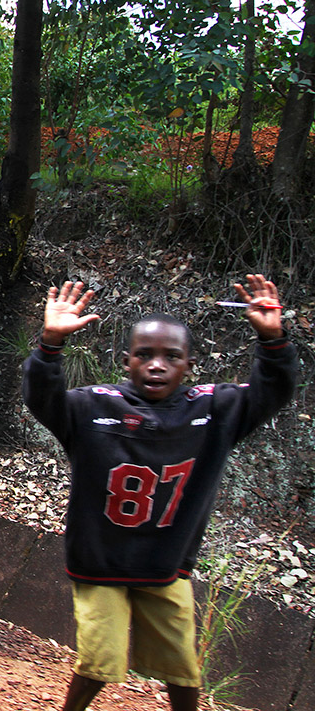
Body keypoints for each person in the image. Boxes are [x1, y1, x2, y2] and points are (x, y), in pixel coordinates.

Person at [22, 277, 297, 711]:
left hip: (166, 566)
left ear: (189, 366)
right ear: (127, 361)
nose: (156, 365)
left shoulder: (214, 410)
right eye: (145, 355)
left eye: (171, 357)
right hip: (100, 562)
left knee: (181, 665)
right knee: (99, 658)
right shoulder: (93, 406)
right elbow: (42, 397)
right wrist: (50, 345)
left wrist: (272, 339)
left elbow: (273, 391)